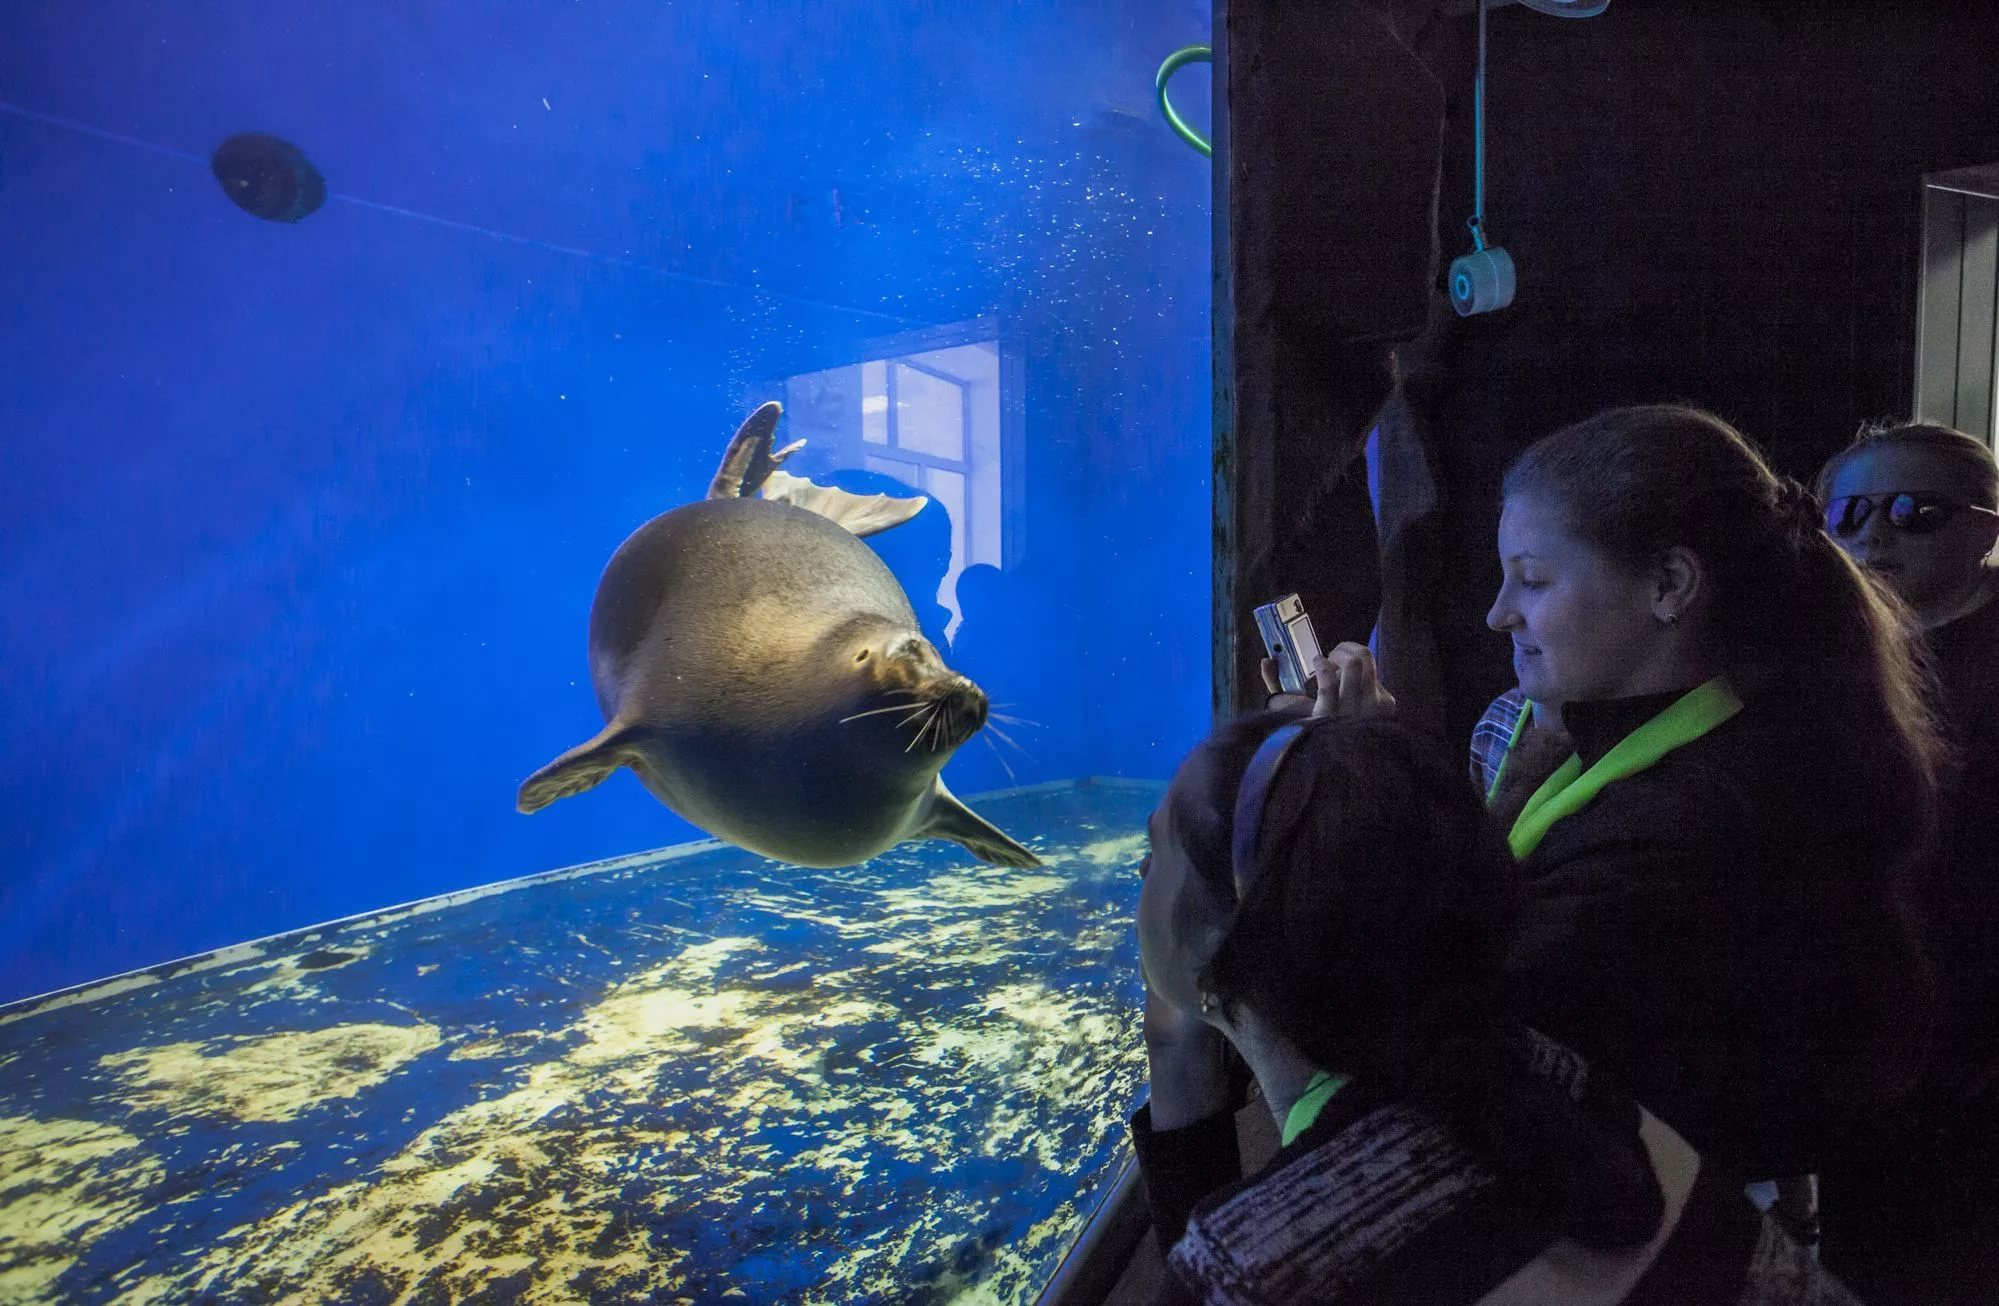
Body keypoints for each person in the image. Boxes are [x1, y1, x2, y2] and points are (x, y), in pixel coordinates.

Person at [1267, 404, 1943, 1195]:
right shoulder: (1707, 735)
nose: (1497, 613)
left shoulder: (1684, 834)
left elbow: (1438, 1052)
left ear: (1668, 585)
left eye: (1532, 579)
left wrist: (1352, 802)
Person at [1131, 709, 1857, 1304]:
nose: (1141, 870)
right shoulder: (1552, 1080)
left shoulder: (1255, 1271)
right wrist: (1184, 1037)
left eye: (1157, 851)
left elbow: (1241, 1262)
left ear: (1232, 936)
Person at [1812, 421, 1999, 1299]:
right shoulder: (1817, 650)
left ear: (1984, 529)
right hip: (1856, 1012)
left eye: (1913, 512)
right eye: (1847, 513)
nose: (1872, 535)